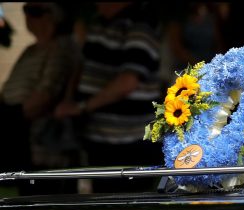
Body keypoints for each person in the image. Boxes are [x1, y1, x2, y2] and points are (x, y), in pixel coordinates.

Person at [55, 2, 163, 192]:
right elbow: (83, 64)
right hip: (100, 139)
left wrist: (82, 107)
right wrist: (70, 98)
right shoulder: (99, 22)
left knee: (128, 207)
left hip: (131, 142)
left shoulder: (140, 25)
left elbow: (128, 81)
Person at [0, 2, 79, 179]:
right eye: (25, 10)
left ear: (53, 17)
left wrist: (10, 117)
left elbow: (46, 96)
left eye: (33, 11)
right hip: (19, 139)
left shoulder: (61, 49)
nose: (27, 16)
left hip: (42, 145)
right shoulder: (31, 50)